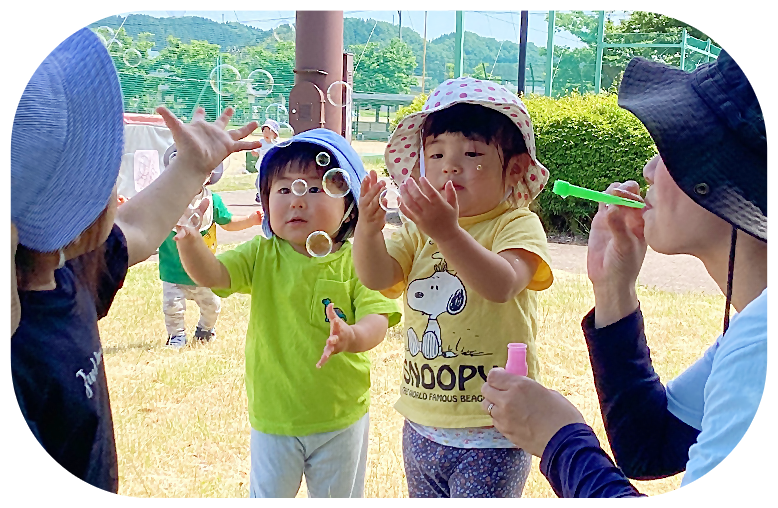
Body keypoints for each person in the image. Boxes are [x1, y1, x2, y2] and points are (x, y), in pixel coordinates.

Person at [481, 50, 767, 497]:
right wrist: (613, 287)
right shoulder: (755, 327)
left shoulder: (762, 346)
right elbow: (650, 445)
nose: (649, 169)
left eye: (671, 149)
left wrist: (560, 440)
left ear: (726, 178)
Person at [10, 28, 262, 492]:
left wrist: (191, 167)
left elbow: (140, 227)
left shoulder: (70, 272)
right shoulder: (21, 348)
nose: (117, 191)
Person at [353, 77, 554, 498]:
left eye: (473, 154)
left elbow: (502, 284)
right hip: (422, 421)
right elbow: (378, 277)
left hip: (493, 428)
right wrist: (368, 233)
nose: (450, 165)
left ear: (514, 169)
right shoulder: (417, 230)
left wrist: (447, 234)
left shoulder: (515, 224)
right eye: (437, 154)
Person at [174, 128, 402, 498]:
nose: (297, 201)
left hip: (340, 415)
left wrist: (353, 336)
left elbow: (377, 320)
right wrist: (189, 240)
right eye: (283, 190)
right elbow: (212, 274)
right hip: (274, 416)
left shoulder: (358, 260)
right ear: (265, 203)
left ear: (349, 204)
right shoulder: (261, 254)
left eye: (315, 189)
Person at [159, 165, 263, 348]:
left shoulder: (212, 200)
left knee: (212, 306)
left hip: (203, 271)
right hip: (173, 271)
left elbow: (228, 222)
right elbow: (146, 217)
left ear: (209, 175)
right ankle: (176, 336)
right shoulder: (167, 200)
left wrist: (250, 220)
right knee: (173, 307)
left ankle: (205, 330)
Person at [253, 118, 280, 202]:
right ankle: (260, 194)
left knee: (271, 183)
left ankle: (267, 196)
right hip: (262, 166)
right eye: (264, 131)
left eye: (269, 132)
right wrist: (254, 152)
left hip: (272, 167)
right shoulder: (261, 142)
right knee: (258, 183)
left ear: (275, 134)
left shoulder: (276, 144)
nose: (266, 134)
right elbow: (256, 151)